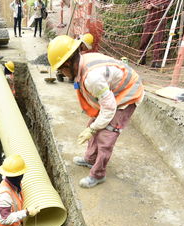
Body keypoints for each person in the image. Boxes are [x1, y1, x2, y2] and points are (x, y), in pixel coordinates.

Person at [48, 35, 144, 188]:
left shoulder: (92, 78)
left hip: (127, 93)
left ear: (68, 63)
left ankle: (98, 174)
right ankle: (90, 159)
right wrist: (93, 127)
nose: (62, 74)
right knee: (94, 123)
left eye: (61, 70)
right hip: (113, 92)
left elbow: (109, 108)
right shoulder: (81, 63)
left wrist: (93, 129)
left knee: (107, 133)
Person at [138, 0, 171, 68]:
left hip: (161, 20)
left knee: (158, 42)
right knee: (144, 40)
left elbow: (167, 5)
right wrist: (147, 6)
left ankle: (156, 61)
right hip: (150, 20)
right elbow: (144, 3)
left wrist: (155, 5)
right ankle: (142, 58)